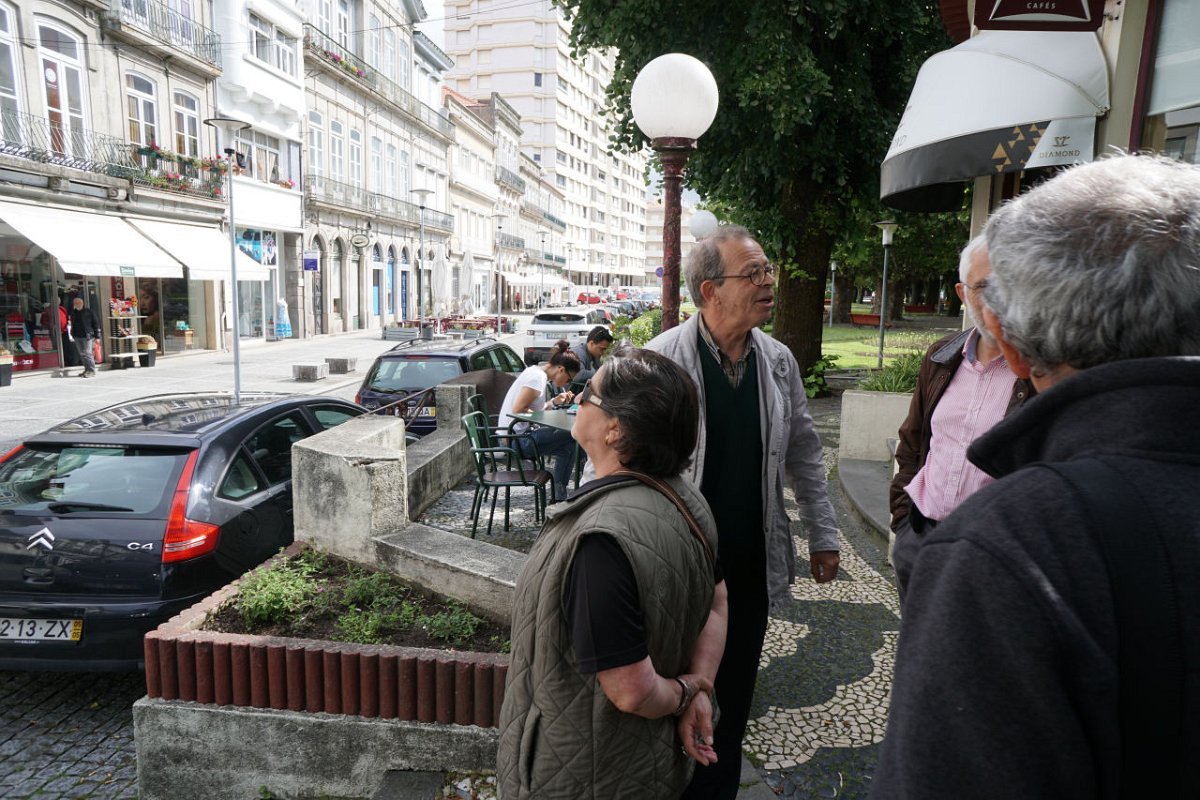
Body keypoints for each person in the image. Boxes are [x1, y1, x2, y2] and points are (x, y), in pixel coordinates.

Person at [872, 153, 1200, 798]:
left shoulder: (1010, 548)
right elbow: (918, 439)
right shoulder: (945, 364)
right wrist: (905, 513)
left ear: (1013, 341)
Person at [647, 225, 840, 800]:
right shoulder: (660, 360)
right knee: (674, 700)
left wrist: (824, 534)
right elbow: (612, 459)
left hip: (749, 570)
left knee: (731, 705)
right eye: (752, 273)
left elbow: (805, 452)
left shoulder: (777, 361)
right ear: (710, 289)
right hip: (680, 571)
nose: (768, 282)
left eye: (767, 270)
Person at [497, 347, 728, 798]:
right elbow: (717, 600)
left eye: (588, 393)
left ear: (616, 429)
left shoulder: (601, 540)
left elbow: (631, 692)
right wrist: (700, 688)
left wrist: (686, 692)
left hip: (584, 775)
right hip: (649, 766)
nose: (579, 398)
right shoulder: (688, 500)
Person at [888, 235, 1032, 605]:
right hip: (921, 538)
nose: (998, 299)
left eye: (1008, 284)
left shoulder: (1039, 371)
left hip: (992, 553)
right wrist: (903, 522)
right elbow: (913, 441)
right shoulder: (941, 357)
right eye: (985, 287)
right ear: (962, 293)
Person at [496, 339, 581, 501]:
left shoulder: (535, 372)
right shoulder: (537, 378)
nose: (567, 383)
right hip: (515, 440)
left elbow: (532, 410)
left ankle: (559, 496)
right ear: (561, 369)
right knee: (573, 434)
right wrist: (548, 417)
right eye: (569, 379)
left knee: (569, 448)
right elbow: (518, 410)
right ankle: (568, 492)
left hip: (516, 436)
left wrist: (554, 402)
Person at [569, 325, 614, 390]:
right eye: (602, 349)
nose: (603, 352)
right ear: (591, 343)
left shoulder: (594, 354)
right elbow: (578, 375)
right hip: (568, 392)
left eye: (605, 349)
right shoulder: (578, 353)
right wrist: (603, 373)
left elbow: (599, 369)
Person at [68, 297, 100, 378]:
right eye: (75, 303)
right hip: (77, 336)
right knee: (82, 354)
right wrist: (72, 334)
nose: (77, 304)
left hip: (87, 336)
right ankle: (87, 369)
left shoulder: (89, 312)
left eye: (79, 303)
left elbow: (96, 324)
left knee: (88, 353)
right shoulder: (73, 313)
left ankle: (92, 370)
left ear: (82, 303)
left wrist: (97, 336)